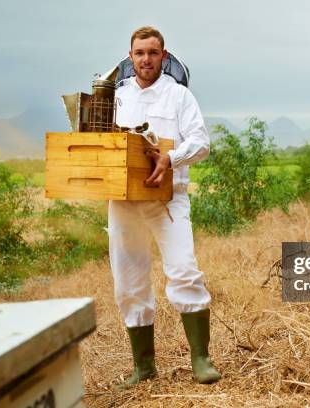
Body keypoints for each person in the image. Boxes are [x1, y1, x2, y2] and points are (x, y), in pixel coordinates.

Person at [108, 26, 221, 386]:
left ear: (164, 56)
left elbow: (201, 143)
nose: (146, 59)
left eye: (153, 53)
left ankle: (201, 360)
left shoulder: (179, 96)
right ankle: (144, 368)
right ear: (130, 58)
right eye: (140, 53)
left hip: (168, 201)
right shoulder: (115, 97)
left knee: (184, 270)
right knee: (129, 282)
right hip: (124, 203)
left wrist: (169, 159)